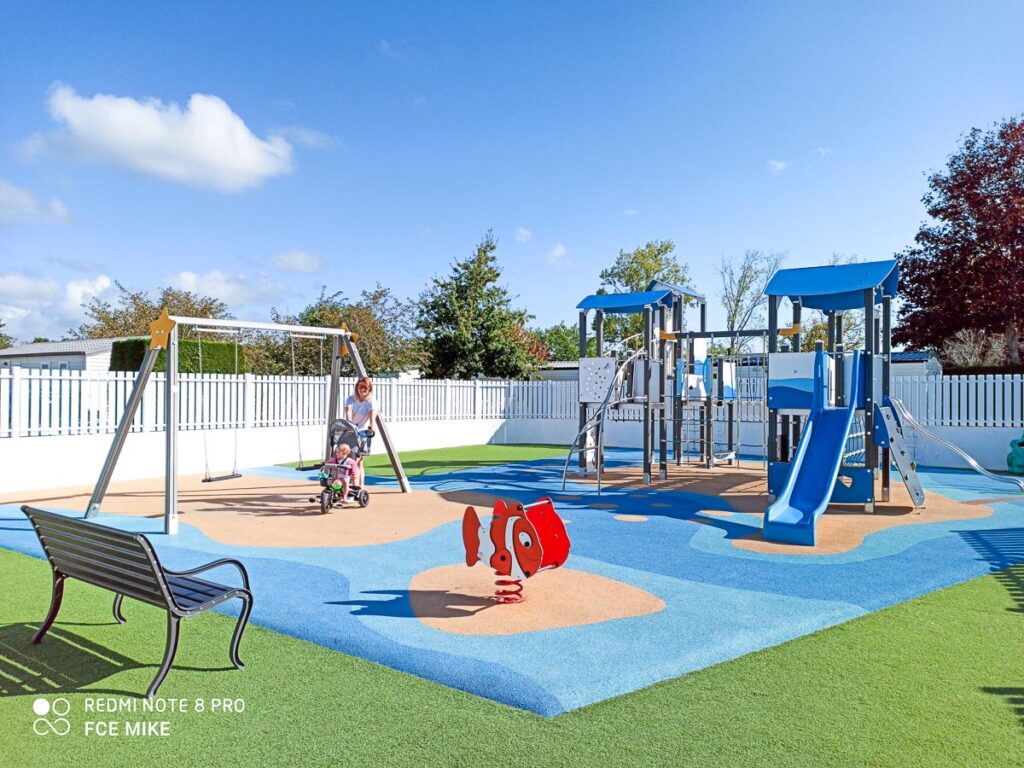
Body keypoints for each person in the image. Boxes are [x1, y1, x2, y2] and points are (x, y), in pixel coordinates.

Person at [344, 376, 377, 487]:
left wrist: (372, 425)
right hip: (350, 431)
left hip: (362, 432)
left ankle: (358, 487)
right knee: (348, 459)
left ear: (369, 389)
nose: (362, 390)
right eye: (360, 387)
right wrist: (349, 425)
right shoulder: (350, 399)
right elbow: (348, 413)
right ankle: (352, 486)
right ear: (357, 387)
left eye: (365, 388)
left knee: (357, 460)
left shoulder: (371, 402)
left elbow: (373, 415)